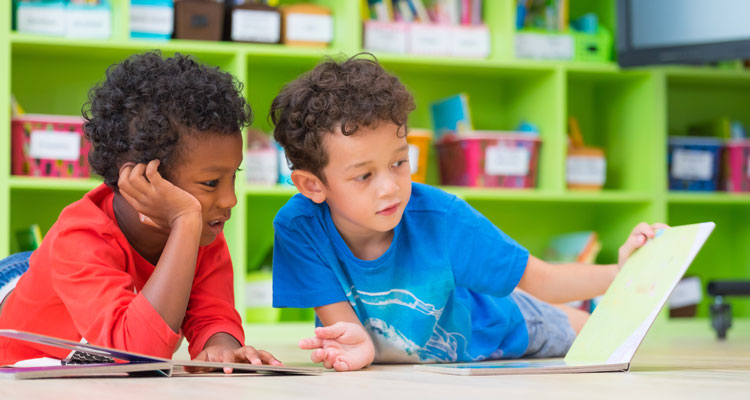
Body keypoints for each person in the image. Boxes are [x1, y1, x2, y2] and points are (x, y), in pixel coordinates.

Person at [269, 54, 666, 372]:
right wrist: (358, 347)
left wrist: (625, 274)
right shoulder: (298, 227)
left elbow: (541, 279)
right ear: (312, 186)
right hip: (427, 353)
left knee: (609, 338)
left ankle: (583, 309)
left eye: (399, 163)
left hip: (503, 326)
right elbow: (352, 334)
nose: (389, 187)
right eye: (364, 176)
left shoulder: (442, 217)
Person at [0, 51, 281, 371]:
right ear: (143, 180)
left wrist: (222, 347)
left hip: (70, 291)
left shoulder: (203, 232)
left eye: (234, 176)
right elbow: (136, 357)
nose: (230, 199)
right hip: (14, 304)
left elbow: (212, 314)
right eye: (211, 182)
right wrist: (185, 221)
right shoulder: (80, 237)